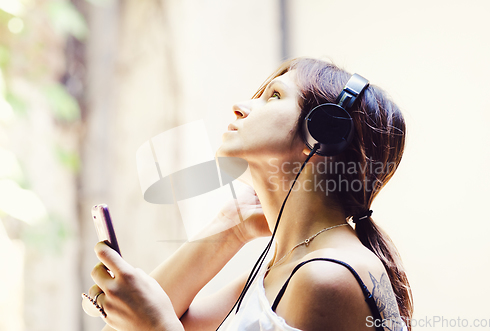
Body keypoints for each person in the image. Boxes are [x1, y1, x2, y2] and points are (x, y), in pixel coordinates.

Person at [82, 57, 413, 331]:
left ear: (322, 135)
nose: (240, 107)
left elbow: (155, 322)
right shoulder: (283, 270)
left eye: (273, 96)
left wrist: (158, 327)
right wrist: (231, 227)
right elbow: (134, 323)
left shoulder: (325, 278)